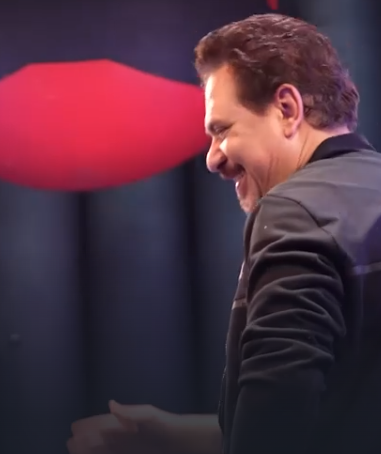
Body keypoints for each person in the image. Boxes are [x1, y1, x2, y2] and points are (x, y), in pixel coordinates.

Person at [67, 13, 381, 454]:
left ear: (287, 109)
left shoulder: (293, 212)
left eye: (222, 130)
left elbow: (270, 434)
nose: (213, 158)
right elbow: (338, 415)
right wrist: (169, 435)